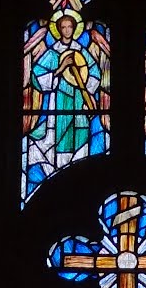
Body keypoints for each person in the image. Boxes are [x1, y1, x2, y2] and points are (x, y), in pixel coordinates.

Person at [25, 11, 105, 184]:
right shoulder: (53, 53)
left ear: (75, 29)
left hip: (79, 102)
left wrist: (86, 92)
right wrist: (61, 69)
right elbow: (37, 78)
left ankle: (81, 172)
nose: (67, 30)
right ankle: (60, 172)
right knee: (61, 137)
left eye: (70, 27)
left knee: (82, 135)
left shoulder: (81, 52)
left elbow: (95, 75)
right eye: (63, 27)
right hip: (59, 102)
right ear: (59, 29)